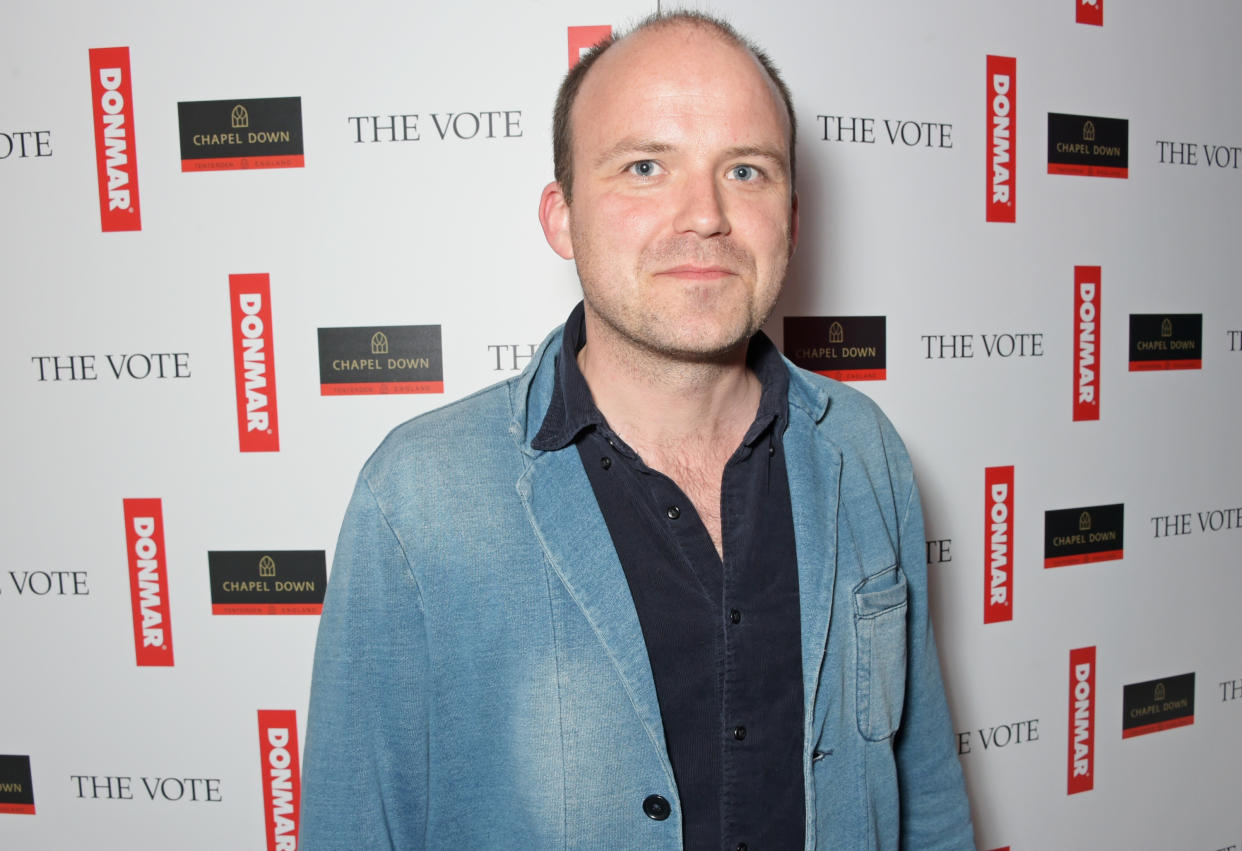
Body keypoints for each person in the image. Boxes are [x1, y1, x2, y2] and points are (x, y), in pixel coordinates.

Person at [302, 11, 974, 850]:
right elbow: (354, 826)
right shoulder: (418, 496)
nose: (704, 215)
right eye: (646, 166)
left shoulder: (865, 449)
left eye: (746, 170)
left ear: (793, 221)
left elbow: (928, 800)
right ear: (562, 216)